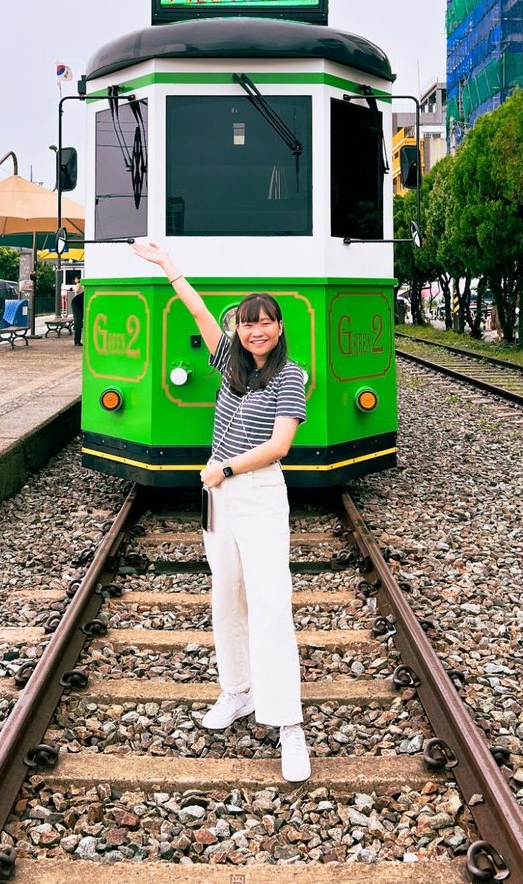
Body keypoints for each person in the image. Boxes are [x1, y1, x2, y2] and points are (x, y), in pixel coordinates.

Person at [132, 239, 311, 783]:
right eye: (247, 323)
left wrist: (225, 470)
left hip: (254, 490)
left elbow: (280, 446)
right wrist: (168, 266)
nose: (256, 331)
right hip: (219, 495)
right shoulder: (228, 360)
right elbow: (197, 308)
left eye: (266, 323)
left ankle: (288, 724)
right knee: (226, 595)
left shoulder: (292, 375)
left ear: (280, 329)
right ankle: (236, 691)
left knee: (271, 602)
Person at [72, 280, 84, 347]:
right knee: (78, 322)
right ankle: (77, 341)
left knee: (80, 322)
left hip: (82, 305)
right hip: (76, 303)